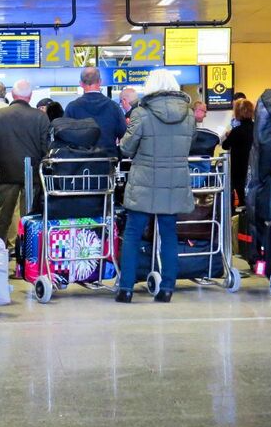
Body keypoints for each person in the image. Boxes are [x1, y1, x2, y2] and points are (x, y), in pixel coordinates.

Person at [116, 69, 195, 304]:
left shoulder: (141, 113)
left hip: (144, 181)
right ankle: (168, 287)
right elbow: (188, 146)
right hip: (174, 181)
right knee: (169, 234)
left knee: (132, 233)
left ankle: (126, 289)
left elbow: (127, 149)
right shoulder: (189, 115)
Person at [0, 80, 50, 248]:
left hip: (6, 174)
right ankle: (29, 256)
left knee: (3, 218)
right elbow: (46, 148)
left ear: (13, 95)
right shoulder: (41, 117)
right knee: (29, 218)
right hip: (33, 176)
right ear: (29, 97)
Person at [64, 67, 126, 157]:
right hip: (107, 160)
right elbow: (124, 135)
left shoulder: (72, 107)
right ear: (100, 82)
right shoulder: (114, 107)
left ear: (81, 84)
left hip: (79, 162)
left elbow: (65, 137)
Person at [221, 98, 255, 207]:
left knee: (241, 197)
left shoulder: (236, 131)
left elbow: (225, 145)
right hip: (254, 167)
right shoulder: (258, 129)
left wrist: (228, 135)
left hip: (238, 169)